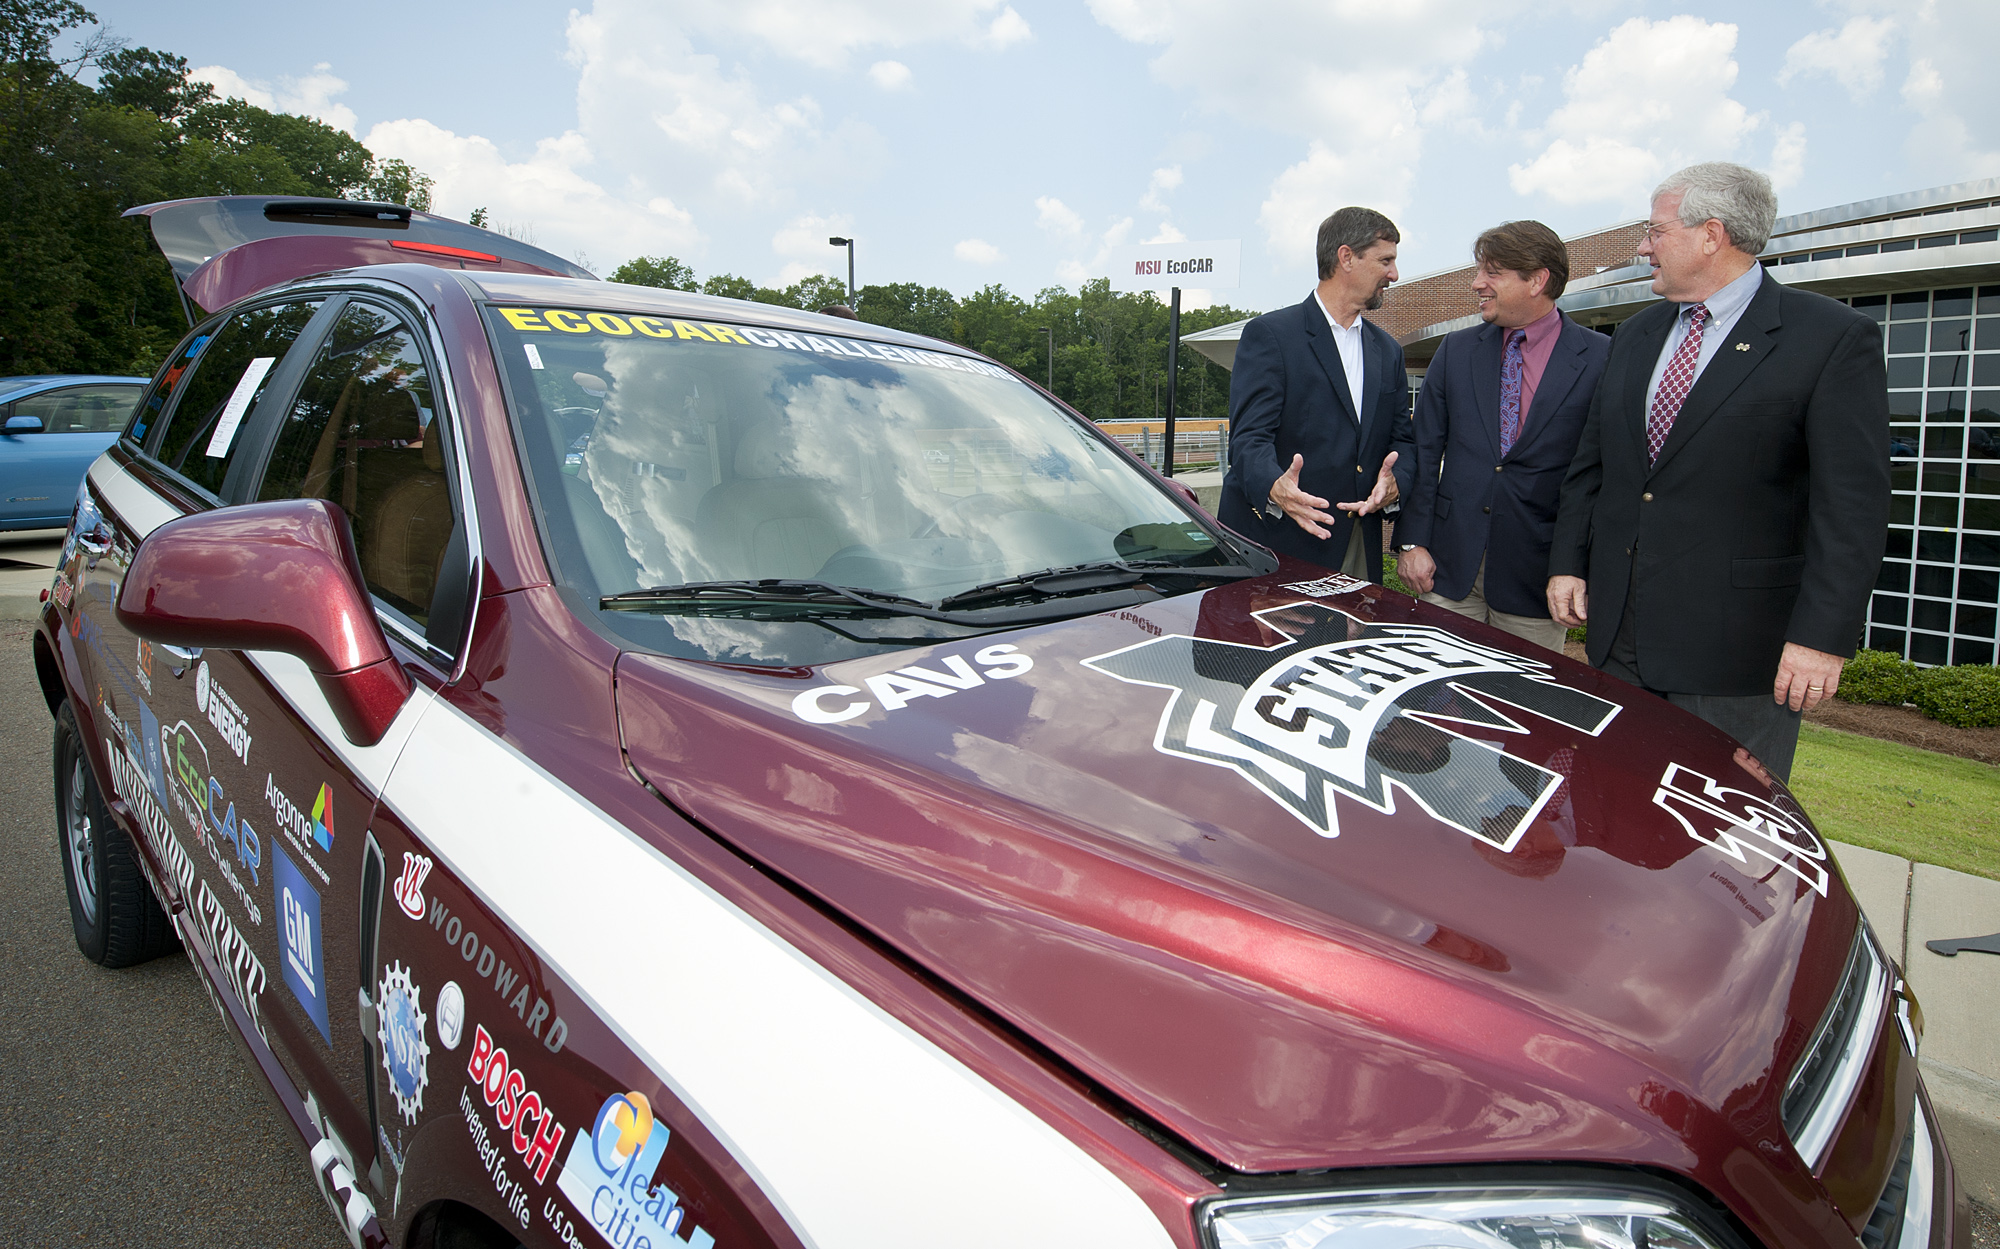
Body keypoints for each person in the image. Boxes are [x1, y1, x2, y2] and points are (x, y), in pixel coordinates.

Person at [1547, 162, 1889, 782]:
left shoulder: (1832, 339)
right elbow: (1593, 465)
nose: (1643, 247)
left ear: (1711, 234)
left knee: (1717, 850)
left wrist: (1822, 637)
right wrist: (1569, 560)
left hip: (1737, 659)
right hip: (1618, 640)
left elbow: (1853, 509)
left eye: (1655, 231)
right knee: (1608, 813)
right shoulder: (1635, 334)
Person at [1396, 220, 1610, 652]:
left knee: (1519, 709)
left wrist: (1575, 565)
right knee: (1437, 701)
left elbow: (1600, 472)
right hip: (1447, 569)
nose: (1477, 284)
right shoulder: (1455, 351)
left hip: (1536, 579)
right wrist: (1411, 541)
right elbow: (1422, 450)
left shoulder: (1603, 358)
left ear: (1536, 280)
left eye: (1491, 272)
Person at [1219, 207, 1413, 578]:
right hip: (1278, 545)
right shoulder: (1272, 336)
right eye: (1385, 260)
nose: (1394, 274)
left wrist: (1396, 483)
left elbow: (1403, 441)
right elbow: (1248, 441)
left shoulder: (1388, 351)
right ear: (1346, 257)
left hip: (1358, 544)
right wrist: (1274, 486)